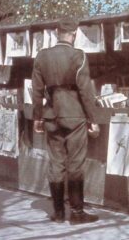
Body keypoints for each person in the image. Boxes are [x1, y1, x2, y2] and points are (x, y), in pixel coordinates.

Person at [32, 17, 100, 225]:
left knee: (56, 163)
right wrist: (93, 119)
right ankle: (77, 213)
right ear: (73, 35)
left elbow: (36, 91)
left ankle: (59, 213)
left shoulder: (42, 56)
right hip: (75, 115)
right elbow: (86, 91)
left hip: (51, 115)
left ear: (56, 33)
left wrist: (37, 117)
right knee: (75, 164)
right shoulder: (78, 56)